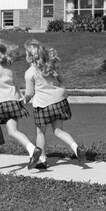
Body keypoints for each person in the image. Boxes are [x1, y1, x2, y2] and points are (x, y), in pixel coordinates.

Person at [0, 35, 42, 170]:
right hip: (13, 101)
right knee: (13, 131)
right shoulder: (9, 66)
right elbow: (15, 83)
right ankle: (32, 149)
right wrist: (21, 97)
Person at [23, 39, 86, 169]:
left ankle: (42, 160)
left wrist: (25, 100)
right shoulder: (51, 66)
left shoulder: (30, 73)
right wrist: (60, 91)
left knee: (40, 133)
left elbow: (29, 93)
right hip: (59, 102)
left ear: (29, 57)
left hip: (42, 106)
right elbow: (62, 80)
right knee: (58, 131)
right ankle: (76, 148)